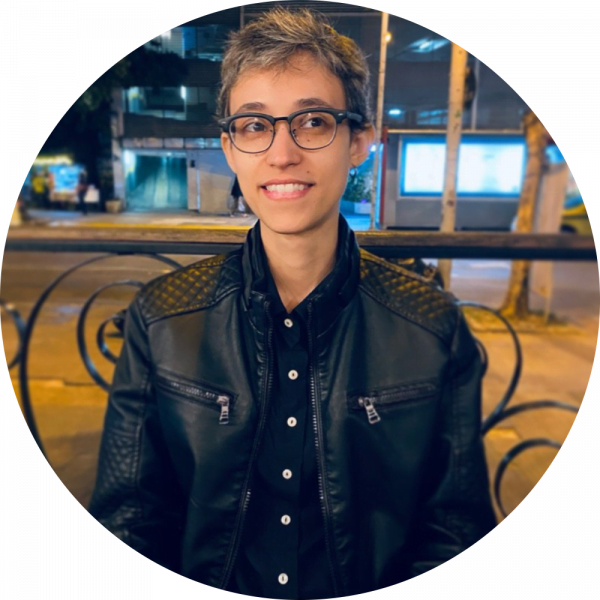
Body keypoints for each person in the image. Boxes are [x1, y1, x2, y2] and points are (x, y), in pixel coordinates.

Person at [88, 7, 497, 599]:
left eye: (312, 121)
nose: (282, 154)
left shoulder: (432, 327)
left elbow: (453, 531)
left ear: (359, 142)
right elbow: (130, 518)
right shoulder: (162, 318)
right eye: (255, 126)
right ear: (230, 148)